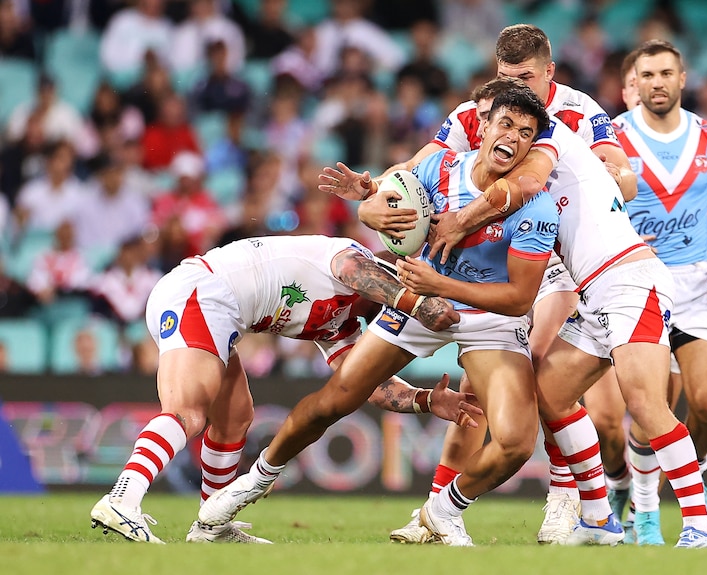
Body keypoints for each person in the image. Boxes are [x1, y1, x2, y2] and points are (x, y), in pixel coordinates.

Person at [197, 86, 559, 547]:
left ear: (531, 147)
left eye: (526, 133)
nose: (513, 137)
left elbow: (519, 299)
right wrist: (373, 212)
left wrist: (440, 288)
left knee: (515, 443)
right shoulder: (437, 168)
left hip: (486, 313)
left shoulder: (537, 205)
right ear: (483, 127)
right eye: (506, 124)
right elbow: (378, 202)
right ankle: (256, 480)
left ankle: (443, 509)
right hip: (417, 302)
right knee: (336, 399)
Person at [346, 23, 634, 545]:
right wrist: (374, 193)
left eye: (524, 78)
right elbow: (410, 172)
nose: (513, 89)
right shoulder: (477, 111)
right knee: (472, 394)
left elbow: (624, 176)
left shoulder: (578, 111)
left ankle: (568, 498)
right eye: (504, 78)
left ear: (549, 73)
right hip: (496, 259)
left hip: (555, 258)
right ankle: (434, 511)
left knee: (544, 369)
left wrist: (610, 175)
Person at [89, 235, 467, 544]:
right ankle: (123, 498)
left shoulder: (345, 325)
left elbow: (364, 385)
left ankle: (211, 526)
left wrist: (427, 399)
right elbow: (356, 271)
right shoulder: (348, 257)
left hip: (222, 314)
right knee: (187, 410)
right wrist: (418, 303)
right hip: (202, 292)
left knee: (234, 418)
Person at [608, 40, 707, 546]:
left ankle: (693, 468)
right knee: (654, 408)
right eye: (647, 74)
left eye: (666, 72)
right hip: (639, 282)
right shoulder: (614, 138)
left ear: (683, 78)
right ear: (636, 83)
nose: (658, 82)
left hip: (695, 283)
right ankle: (646, 515)